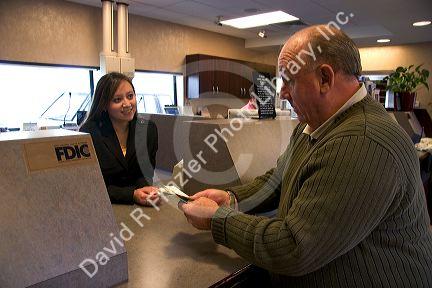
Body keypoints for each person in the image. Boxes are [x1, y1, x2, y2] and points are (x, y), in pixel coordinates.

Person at [179, 25, 432, 287]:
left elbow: (294, 247)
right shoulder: (312, 124)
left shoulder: (360, 141)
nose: (281, 94)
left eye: (289, 81)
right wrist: (232, 198)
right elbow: (279, 178)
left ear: (325, 78)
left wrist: (217, 218)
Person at [80, 72, 160, 206]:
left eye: (130, 96)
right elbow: (89, 185)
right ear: (104, 105)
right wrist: (131, 195)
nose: (127, 104)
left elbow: (145, 173)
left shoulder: (148, 130)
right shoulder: (90, 133)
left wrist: (145, 191)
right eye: (117, 100)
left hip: (139, 208)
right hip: (102, 206)